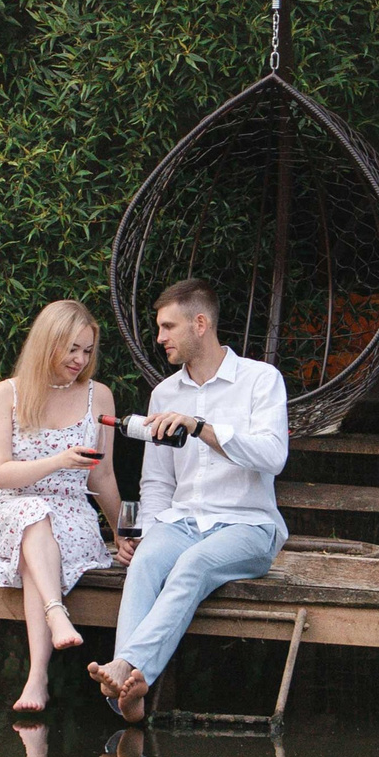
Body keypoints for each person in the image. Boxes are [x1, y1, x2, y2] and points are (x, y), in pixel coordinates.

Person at [87, 279, 288, 722]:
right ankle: (130, 694)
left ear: (201, 324)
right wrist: (145, 534)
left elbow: (274, 457)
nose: (159, 339)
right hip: (182, 522)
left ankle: (128, 666)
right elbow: (157, 481)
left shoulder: (260, 380)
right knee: (147, 563)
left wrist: (201, 427)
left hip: (249, 526)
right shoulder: (164, 394)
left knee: (192, 565)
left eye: (167, 327)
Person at [0, 299, 130, 714]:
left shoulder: (99, 396)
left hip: (71, 514)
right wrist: (58, 461)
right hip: (10, 508)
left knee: (40, 541)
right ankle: (55, 615)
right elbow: (0, 473)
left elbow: (102, 476)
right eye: (71, 349)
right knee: (33, 517)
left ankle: (37, 676)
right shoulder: (6, 394)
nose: (80, 360)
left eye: (87, 350)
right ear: (47, 343)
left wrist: (119, 531)